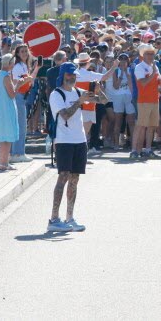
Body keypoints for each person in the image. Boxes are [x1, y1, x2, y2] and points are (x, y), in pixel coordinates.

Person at [47, 63, 100, 233]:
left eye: (74, 75)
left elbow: (104, 101)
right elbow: (65, 115)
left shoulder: (78, 92)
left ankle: (70, 217)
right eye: (69, 75)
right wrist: (80, 101)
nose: (72, 78)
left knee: (75, 178)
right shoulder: (56, 94)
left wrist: (98, 89)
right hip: (64, 141)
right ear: (62, 75)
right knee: (63, 177)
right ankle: (54, 219)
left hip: (80, 140)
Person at [0, 54, 19, 171]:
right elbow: (12, 93)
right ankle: (3, 163)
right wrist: (19, 84)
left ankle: (4, 162)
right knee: (7, 137)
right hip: (6, 107)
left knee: (4, 138)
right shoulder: (5, 76)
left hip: (1, 107)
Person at [133, 44, 161, 159]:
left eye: (152, 54)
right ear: (143, 55)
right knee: (140, 126)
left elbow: (160, 83)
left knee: (151, 126)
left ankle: (148, 149)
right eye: (148, 54)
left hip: (155, 99)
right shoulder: (139, 67)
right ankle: (134, 150)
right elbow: (143, 83)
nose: (151, 56)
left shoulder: (154, 67)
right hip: (144, 101)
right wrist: (154, 73)